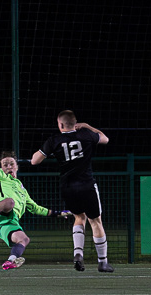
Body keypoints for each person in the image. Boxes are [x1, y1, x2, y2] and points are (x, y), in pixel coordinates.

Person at [0, 122, 71, 271]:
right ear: (1, 168)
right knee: (10, 202)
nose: (8, 167)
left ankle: (11, 261)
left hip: (9, 222)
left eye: (11, 164)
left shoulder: (22, 190)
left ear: (17, 166)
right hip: (0, 214)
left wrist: (58, 213)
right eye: (5, 165)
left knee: (24, 239)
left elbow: (36, 208)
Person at [31, 110, 114, 273]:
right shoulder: (86, 135)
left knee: (79, 217)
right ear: (75, 123)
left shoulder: (54, 140)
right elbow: (105, 139)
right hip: (87, 185)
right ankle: (103, 262)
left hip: (68, 187)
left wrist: (48, 150)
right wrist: (88, 126)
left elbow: (35, 161)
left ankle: (78, 253)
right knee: (96, 221)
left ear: (61, 124)